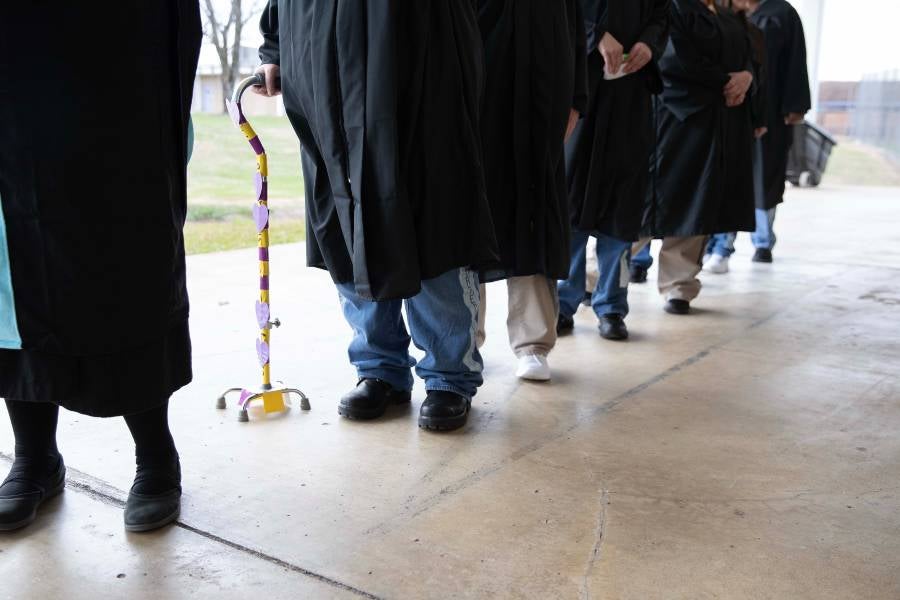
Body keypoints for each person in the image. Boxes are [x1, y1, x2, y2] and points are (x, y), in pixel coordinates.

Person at [0, 2, 201, 532]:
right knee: (12, 274)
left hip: (113, 58)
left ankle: (155, 454)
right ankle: (34, 455)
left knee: (121, 258)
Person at [255, 1, 499, 431]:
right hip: (325, 75)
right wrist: (274, 49)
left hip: (421, 65)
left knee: (431, 220)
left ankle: (449, 376)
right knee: (348, 226)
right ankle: (379, 368)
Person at [475, 0, 587, 381]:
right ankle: (464, 342)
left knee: (535, 224)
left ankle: (533, 344)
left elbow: (576, 34)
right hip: (480, 109)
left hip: (541, 112)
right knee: (472, 224)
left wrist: (576, 102)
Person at [556, 0, 670, 341]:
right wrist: (596, 34)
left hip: (630, 98)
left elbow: (662, 16)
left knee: (622, 208)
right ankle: (563, 302)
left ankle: (612, 306)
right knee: (573, 200)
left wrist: (648, 45)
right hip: (584, 93)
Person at [638, 0, 757, 314]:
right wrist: (724, 83)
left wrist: (746, 76)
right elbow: (673, 59)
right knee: (651, 203)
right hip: (677, 118)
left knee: (697, 203)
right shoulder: (673, 8)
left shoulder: (727, 15)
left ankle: (679, 286)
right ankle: (600, 282)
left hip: (718, 123)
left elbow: (748, 57)